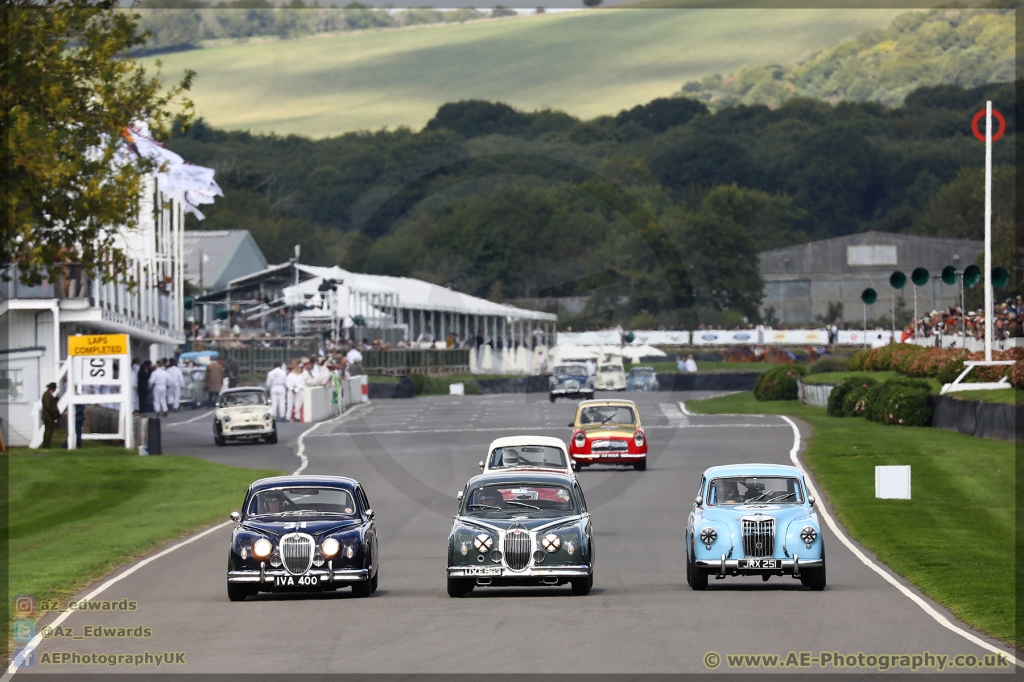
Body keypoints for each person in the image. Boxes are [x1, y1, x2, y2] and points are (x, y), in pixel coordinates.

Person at [41, 382, 60, 448]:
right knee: (48, 431)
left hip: (48, 416)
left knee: (49, 431)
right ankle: (46, 445)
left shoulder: (48, 395)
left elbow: (50, 403)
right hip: (48, 416)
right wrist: (53, 414)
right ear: (53, 388)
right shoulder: (47, 395)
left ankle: (46, 445)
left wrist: (56, 399)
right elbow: (48, 406)